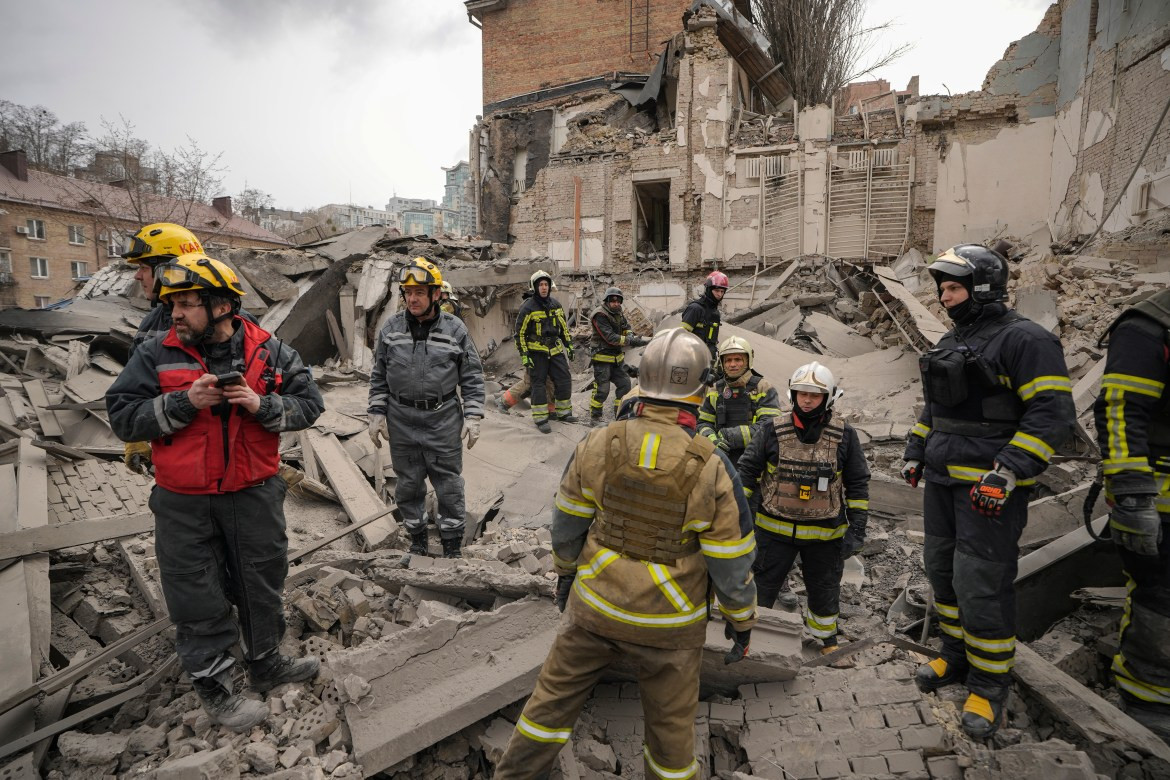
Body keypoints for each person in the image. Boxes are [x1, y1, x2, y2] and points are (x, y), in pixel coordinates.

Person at [492, 328, 757, 780]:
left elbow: (567, 523)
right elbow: (730, 560)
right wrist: (741, 622)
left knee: (546, 713)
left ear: (644, 384)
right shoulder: (713, 465)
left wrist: (565, 575)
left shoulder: (598, 443)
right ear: (699, 390)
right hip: (669, 624)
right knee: (671, 744)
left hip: (595, 606)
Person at [105, 252, 325, 731]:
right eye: (172, 304)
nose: (175, 313)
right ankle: (218, 689)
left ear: (222, 305)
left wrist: (263, 404)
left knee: (262, 581)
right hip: (183, 501)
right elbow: (121, 415)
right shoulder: (154, 353)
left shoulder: (270, 350)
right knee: (195, 593)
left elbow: (310, 405)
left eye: (186, 303)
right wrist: (184, 402)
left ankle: (265, 662)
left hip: (254, 493)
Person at [902, 244, 1073, 740]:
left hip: (988, 490)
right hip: (942, 483)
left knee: (982, 585)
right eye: (941, 289)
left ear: (981, 288)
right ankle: (954, 658)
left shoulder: (1026, 341)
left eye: (953, 288)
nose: (944, 297)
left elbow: (1052, 414)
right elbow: (934, 408)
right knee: (943, 574)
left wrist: (1009, 470)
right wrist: (916, 450)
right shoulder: (954, 341)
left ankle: (988, 686)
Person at [737, 361, 869, 657]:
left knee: (824, 590)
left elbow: (858, 484)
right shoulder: (771, 430)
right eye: (801, 393)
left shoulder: (845, 435)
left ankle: (827, 642)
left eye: (815, 395)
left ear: (829, 397)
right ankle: (747, 638)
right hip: (773, 533)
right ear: (792, 394)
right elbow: (746, 472)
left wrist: (857, 529)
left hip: (825, 537)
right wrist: (739, 516)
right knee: (761, 588)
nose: (807, 400)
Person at [368, 258, 485, 558]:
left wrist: (472, 415)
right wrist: (376, 411)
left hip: (442, 419)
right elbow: (379, 375)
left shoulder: (455, 329)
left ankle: (451, 544)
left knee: (448, 484)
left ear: (436, 294)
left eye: (420, 292)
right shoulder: (391, 329)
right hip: (401, 420)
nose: (412, 298)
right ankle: (417, 538)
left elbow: (471, 375)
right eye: (408, 292)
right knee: (408, 484)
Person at [1093, 286, 1170, 740]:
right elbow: (1120, 411)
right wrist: (1133, 496)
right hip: (1160, 493)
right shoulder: (1151, 323)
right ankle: (1149, 698)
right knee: (1160, 597)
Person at [697, 335, 782, 468]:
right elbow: (703, 423)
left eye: (738, 359)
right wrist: (713, 441)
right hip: (720, 464)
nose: (732, 364)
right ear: (722, 363)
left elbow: (770, 427)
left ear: (748, 361)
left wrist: (730, 436)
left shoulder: (763, 388)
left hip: (754, 466)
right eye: (728, 360)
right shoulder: (714, 390)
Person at [515, 270, 576, 433]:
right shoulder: (527, 307)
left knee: (564, 379)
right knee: (538, 385)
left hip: (555, 350)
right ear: (535, 287)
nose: (543, 287)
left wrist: (569, 345)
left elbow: (563, 328)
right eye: (540, 285)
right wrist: (525, 355)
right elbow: (519, 333)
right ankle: (541, 418)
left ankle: (563, 413)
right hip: (536, 352)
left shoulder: (555, 305)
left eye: (546, 284)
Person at [588, 286, 648, 425]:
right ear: (607, 301)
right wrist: (630, 341)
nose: (616, 303)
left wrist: (631, 335)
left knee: (625, 385)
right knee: (602, 390)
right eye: (613, 301)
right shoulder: (600, 315)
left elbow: (626, 328)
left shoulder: (618, 312)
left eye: (618, 301)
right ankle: (595, 417)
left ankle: (620, 414)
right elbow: (610, 337)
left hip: (617, 358)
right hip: (602, 357)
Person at [681, 270, 729, 364]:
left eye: (722, 291)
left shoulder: (715, 313)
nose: (719, 294)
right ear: (708, 289)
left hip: (709, 359)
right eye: (716, 290)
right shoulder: (695, 309)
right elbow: (681, 338)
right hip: (693, 361)